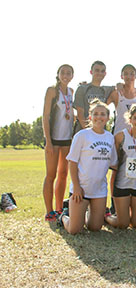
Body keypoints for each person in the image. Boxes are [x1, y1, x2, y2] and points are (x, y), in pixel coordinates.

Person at [57, 100, 117, 234]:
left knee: (95, 228)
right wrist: (76, 187)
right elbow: (72, 162)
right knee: (74, 230)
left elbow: (113, 163)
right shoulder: (82, 135)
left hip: (99, 190)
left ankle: (80, 215)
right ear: (90, 117)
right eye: (96, 114)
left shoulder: (110, 138)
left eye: (103, 114)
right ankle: (64, 217)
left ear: (108, 117)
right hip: (81, 189)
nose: (99, 117)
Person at [105, 104, 136, 228]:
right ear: (129, 119)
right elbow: (114, 166)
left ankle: (122, 215)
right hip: (122, 184)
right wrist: (113, 192)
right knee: (123, 224)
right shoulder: (120, 136)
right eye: (135, 118)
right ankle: (107, 216)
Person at [42, 64, 74, 221]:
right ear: (58, 74)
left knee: (63, 174)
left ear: (72, 75)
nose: (66, 75)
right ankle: (49, 211)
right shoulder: (52, 91)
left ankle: (59, 208)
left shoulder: (72, 92)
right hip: (53, 140)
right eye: (63, 72)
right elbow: (45, 116)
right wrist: (48, 141)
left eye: (69, 73)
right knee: (51, 175)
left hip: (67, 139)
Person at [73, 61, 115, 133]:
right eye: (97, 70)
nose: (99, 73)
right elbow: (80, 113)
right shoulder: (82, 89)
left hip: (101, 132)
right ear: (91, 72)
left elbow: (120, 88)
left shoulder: (106, 90)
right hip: (83, 131)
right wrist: (90, 132)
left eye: (102, 71)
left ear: (105, 74)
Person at [107, 64, 136, 136]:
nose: (129, 76)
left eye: (132, 74)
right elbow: (103, 106)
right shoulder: (116, 93)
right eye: (126, 74)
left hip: (135, 136)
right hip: (119, 134)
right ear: (122, 76)